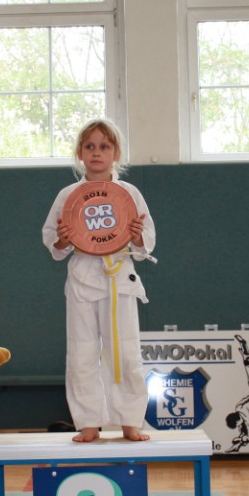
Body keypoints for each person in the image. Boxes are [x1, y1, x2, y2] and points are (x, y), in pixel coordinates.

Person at [42, 119, 155, 443]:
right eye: (89, 146)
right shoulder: (68, 195)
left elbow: (147, 242)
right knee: (82, 352)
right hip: (82, 277)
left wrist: (136, 236)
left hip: (119, 276)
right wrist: (63, 240)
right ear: (80, 153)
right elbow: (52, 241)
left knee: (126, 350)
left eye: (104, 146)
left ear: (116, 153)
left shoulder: (129, 194)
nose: (96, 153)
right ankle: (88, 421)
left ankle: (130, 420)